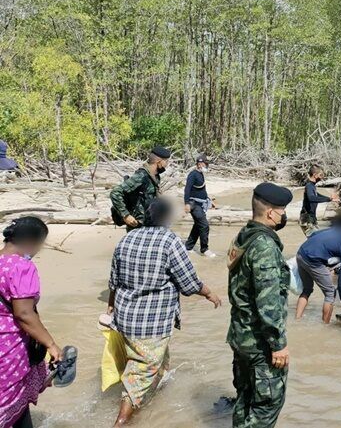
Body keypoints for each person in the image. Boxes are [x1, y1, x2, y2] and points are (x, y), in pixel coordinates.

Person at [107, 199, 222, 426]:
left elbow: (114, 280)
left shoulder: (127, 238)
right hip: (152, 322)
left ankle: (157, 406)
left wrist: (110, 309)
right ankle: (121, 421)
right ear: (167, 218)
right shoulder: (170, 241)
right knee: (141, 372)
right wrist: (210, 293)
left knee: (152, 362)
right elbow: (189, 282)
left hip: (125, 317)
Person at [227, 182, 293, 428]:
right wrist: (278, 344)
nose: (284, 215)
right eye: (282, 210)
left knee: (244, 400)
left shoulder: (244, 236)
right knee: (266, 406)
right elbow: (268, 301)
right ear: (270, 213)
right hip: (259, 343)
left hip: (240, 335)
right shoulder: (264, 245)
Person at [0, 217, 63, 428]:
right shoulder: (21, 266)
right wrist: (51, 345)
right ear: (32, 242)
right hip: (9, 347)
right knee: (13, 407)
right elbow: (24, 314)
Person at [295, 210, 341, 323]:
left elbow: (313, 235)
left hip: (301, 252)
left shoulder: (338, 230)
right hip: (312, 259)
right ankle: (325, 326)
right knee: (330, 292)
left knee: (307, 289)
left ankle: (297, 319)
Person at [110, 146, 171, 231]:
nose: (167, 164)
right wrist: (126, 216)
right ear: (159, 161)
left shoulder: (155, 176)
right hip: (138, 225)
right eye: (166, 161)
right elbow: (115, 193)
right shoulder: (141, 176)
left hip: (149, 223)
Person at [184, 154, 216, 257]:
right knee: (204, 225)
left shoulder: (201, 174)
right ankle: (204, 249)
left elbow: (202, 190)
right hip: (193, 204)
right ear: (200, 164)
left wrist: (210, 201)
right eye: (204, 163)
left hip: (201, 204)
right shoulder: (193, 174)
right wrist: (186, 203)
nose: (206, 166)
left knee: (198, 225)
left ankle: (188, 247)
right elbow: (187, 189)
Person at [299, 165, 339, 237]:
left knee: (317, 239)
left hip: (311, 219)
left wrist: (330, 199)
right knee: (316, 239)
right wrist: (328, 199)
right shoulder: (309, 186)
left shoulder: (312, 186)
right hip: (307, 219)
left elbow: (317, 195)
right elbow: (311, 198)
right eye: (321, 175)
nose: (322, 177)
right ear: (315, 175)